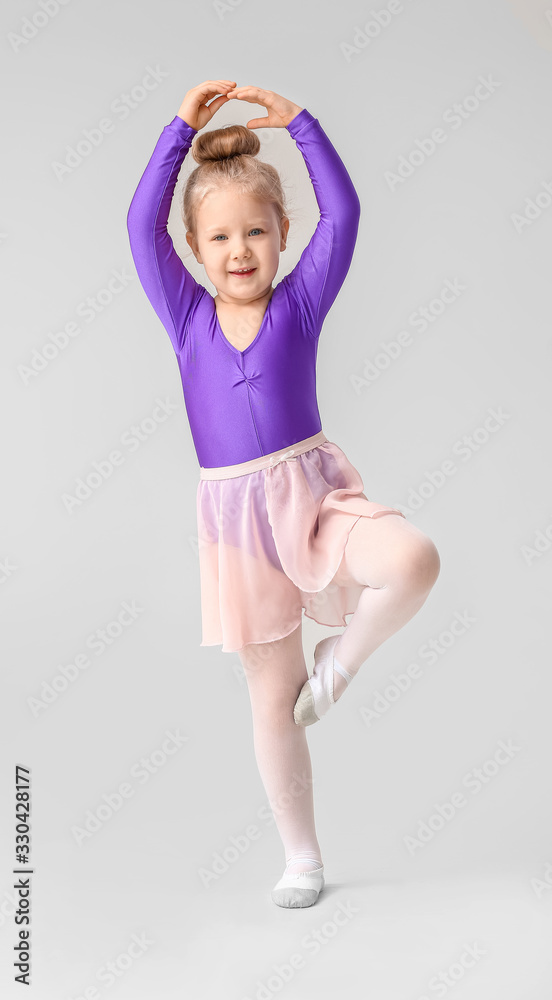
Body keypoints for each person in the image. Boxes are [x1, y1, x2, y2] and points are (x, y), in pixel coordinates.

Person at [126, 79, 441, 909]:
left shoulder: (299, 300)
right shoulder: (186, 315)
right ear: (193, 248)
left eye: (257, 232)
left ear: (283, 236)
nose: (240, 251)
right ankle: (301, 858)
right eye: (221, 236)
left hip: (312, 495)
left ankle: (342, 664)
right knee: (273, 701)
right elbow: (136, 226)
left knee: (413, 558)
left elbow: (347, 213)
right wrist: (179, 130)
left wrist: (301, 125)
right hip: (235, 524)